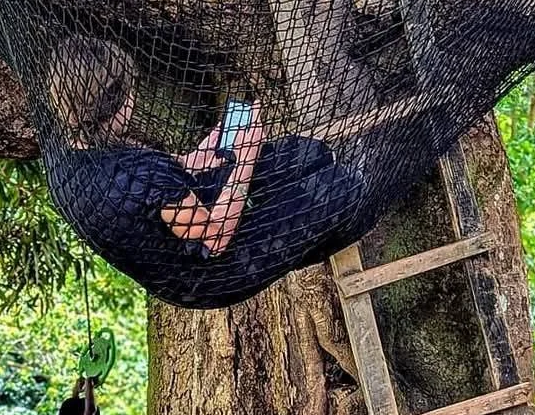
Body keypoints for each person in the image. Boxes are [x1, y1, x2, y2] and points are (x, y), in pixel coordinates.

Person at [42, 38, 369, 309]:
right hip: (209, 273)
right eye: (129, 91)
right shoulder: (143, 175)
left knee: (305, 153)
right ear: (113, 103)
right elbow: (214, 238)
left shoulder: (65, 151)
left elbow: (145, 188)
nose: (135, 98)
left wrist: (198, 157)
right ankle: (320, 226)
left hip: (178, 220)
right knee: (339, 187)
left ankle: (300, 216)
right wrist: (245, 158)